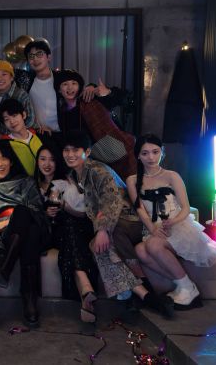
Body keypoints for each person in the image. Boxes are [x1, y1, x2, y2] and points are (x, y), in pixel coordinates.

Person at [61, 131, 174, 319]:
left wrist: (103, 230)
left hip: (128, 221)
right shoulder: (76, 175)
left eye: (75, 150)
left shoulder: (96, 170)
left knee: (100, 244)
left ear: (87, 152)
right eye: (66, 150)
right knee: (100, 248)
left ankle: (134, 295)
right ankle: (144, 296)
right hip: (114, 222)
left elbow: (111, 199)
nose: (70, 154)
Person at [126, 134, 216, 309]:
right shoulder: (132, 180)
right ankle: (185, 285)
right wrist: (152, 229)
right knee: (140, 250)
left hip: (178, 225)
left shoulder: (172, 176)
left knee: (153, 245)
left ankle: (188, 289)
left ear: (162, 152)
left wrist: (173, 221)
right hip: (154, 227)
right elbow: (140, 210)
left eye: (155, 152)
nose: (151, 157)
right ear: (138, 156)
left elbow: (186, 208)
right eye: (145, 153)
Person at [0, 141, 49, 327]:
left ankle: (5, 270)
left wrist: (15, 218)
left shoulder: (26, 181)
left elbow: (37, 211)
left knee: (24, 215)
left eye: (3, 159)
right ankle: (29, 298)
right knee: (29, 234)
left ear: (11, 161)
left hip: (31, 226)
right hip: (2, 235)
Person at [34, 144, 99, 322]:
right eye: (43, 159)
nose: (47, 164)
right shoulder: (31, 185)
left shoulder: (67, 182)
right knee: (70, 233)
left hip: (67, 230)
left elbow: (83, 212)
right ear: (37, 162)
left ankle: (86, 295)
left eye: (52, 160)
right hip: (46, 232)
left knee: (70, 235)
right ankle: (86, 287)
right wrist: (44, 213)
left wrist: (64, 207)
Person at [56, 69, 136, 180]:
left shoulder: (92, 99)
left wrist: (108, 92)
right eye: (65, 84)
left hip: (113, 151)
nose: (70, 88)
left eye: (74, 83)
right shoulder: (61, 113)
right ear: (59, 90)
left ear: (80, 87)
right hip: (85, 162)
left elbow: (129, 99)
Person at [0, 59, 36, 132]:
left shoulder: (21, 95)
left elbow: (30, 120)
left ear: (12, 77)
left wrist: (9, 134)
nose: (0, 78)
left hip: (16, 136)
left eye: (4, 74)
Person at [0, 98, 44, 176]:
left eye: (14, 115)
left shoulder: (40, 135)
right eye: (6, 119)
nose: (12, 121)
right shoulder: (4, 145)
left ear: (24, 115)